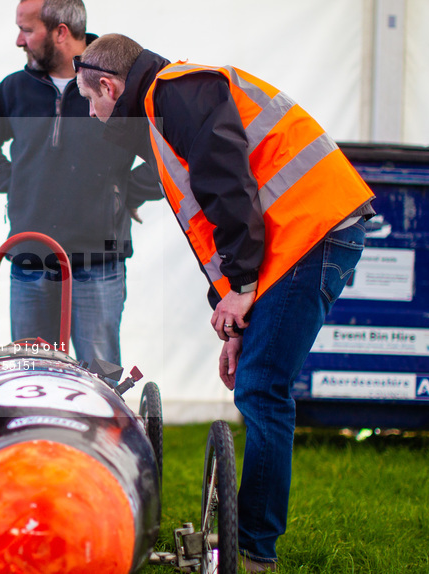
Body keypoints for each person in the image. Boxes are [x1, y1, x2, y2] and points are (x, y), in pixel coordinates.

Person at [74, 33, 374, 571]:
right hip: (297, 240)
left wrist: (239, 286)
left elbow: (229, 188)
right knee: (260, 384)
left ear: (108, 84)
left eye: (90, 101)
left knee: (263, 390)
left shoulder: (178, 92)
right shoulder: (165, 110)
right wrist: (236, 320)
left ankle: (254, 553)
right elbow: (215, 220)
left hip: (312, 232)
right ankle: (251, 545)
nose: (93, 117)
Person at [0, 0, 160, 365]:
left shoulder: (117, 86)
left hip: (98, 263)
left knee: (100, 378)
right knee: (31, 373)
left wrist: (125, 193)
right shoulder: (14, 90)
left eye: (28, 29)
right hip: (30, 260)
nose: (19, 40)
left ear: (61, 32)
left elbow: (165, 154)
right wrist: (14, 183)